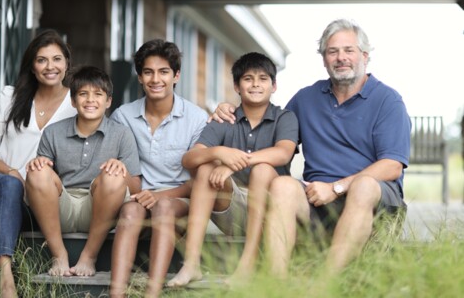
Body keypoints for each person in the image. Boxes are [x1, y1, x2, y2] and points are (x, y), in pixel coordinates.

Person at [210, 19, 411, 277]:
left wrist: (337, 188)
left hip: (375, 203)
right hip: (317, 202)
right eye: (332, 51)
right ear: (324, 59)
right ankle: (276, 283)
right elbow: (268, 136)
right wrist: (230, 113)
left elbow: (392, 165)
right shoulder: (306, 99)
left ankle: (324, 286)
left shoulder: (388, 100)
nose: (341, 58)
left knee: (363, 185)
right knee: (283, 185)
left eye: (348, 50)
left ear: (364, 56)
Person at [0, 30, 76, 298]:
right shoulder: (11, 96)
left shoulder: (77, 103)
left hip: (35, 201)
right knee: (8, 185)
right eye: (41, 60)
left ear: (67, 63)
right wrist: (11, 172)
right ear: (32, 66)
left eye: (57, 59)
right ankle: (6, 277)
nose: (50, 66)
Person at [167, 52, 298, 287]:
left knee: (262, 169)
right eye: (248, 79)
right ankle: (192, 264)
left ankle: (247, 263)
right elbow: (190, 159)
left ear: (274, 85)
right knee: (206, 167)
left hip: (273, 212)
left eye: (263, 79)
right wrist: (218, 153)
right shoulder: (225, 119)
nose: (256, 84)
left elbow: (283, 152)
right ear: (237, 86)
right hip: (234, 210)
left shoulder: (284, 118)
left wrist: (237, 162)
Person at [108, 39, 208, 298]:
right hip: (138, 195)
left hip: (179, 198)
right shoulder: (123, 116)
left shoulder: (196, 118)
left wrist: (161, 196)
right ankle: (116, 293)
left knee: (163, 208)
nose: (156, 79)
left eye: (164, 72)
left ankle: (152, 293)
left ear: (176, 76)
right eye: (148, 72)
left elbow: (198, 182)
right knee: (129, 212)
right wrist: (141, 193)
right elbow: (124, 171)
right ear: (140, 77)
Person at [25, 65, 141, 277]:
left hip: (101, 208)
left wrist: (122, 171)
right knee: (37, 170)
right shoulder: (53, 132)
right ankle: (59, 255)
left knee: (114, 176)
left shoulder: (122, 134)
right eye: (83, 94)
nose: (90, 100)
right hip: (62, 207)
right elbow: (41, 182)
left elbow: (136, 188)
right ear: (72, 100)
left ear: (108, 102)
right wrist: (38, 164)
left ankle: (89, 256)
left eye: (98, 94)